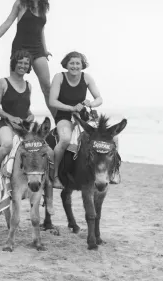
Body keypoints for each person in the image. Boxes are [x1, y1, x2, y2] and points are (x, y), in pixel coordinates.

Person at [0, 0, 55, 117]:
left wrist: (44, 50)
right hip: (20, 48)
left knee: (47, 88)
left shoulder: (43, 6)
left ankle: (59, 121)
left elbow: (41, 30)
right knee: (14, 89)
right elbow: (7, 22)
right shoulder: (21, 4)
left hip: (38, 49)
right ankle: (12, 122)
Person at [0, 49, 35, 205]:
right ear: (14, 63)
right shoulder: (3, 82)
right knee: (7, 145)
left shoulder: (29, 86)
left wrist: (31, 115)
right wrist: (10, 117)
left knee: (38, 149)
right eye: (20, 62)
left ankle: (37, 187)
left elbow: (25, 108)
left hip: (23, 126)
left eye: (26, 63)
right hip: (6, 125)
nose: (23, 65)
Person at [49, 51, 104, 189]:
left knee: (109, 138)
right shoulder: (59, 77)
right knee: (65, 139)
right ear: (66, 64)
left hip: (82, 116)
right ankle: (55, 176)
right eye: (71, 63)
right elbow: (52, 101)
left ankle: (109, 172)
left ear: (82, 65)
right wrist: (71, 108)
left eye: (78, 63)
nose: (75, 66)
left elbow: (99, 99)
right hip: (64, 116)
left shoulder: (87, 78)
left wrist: (90, 103)